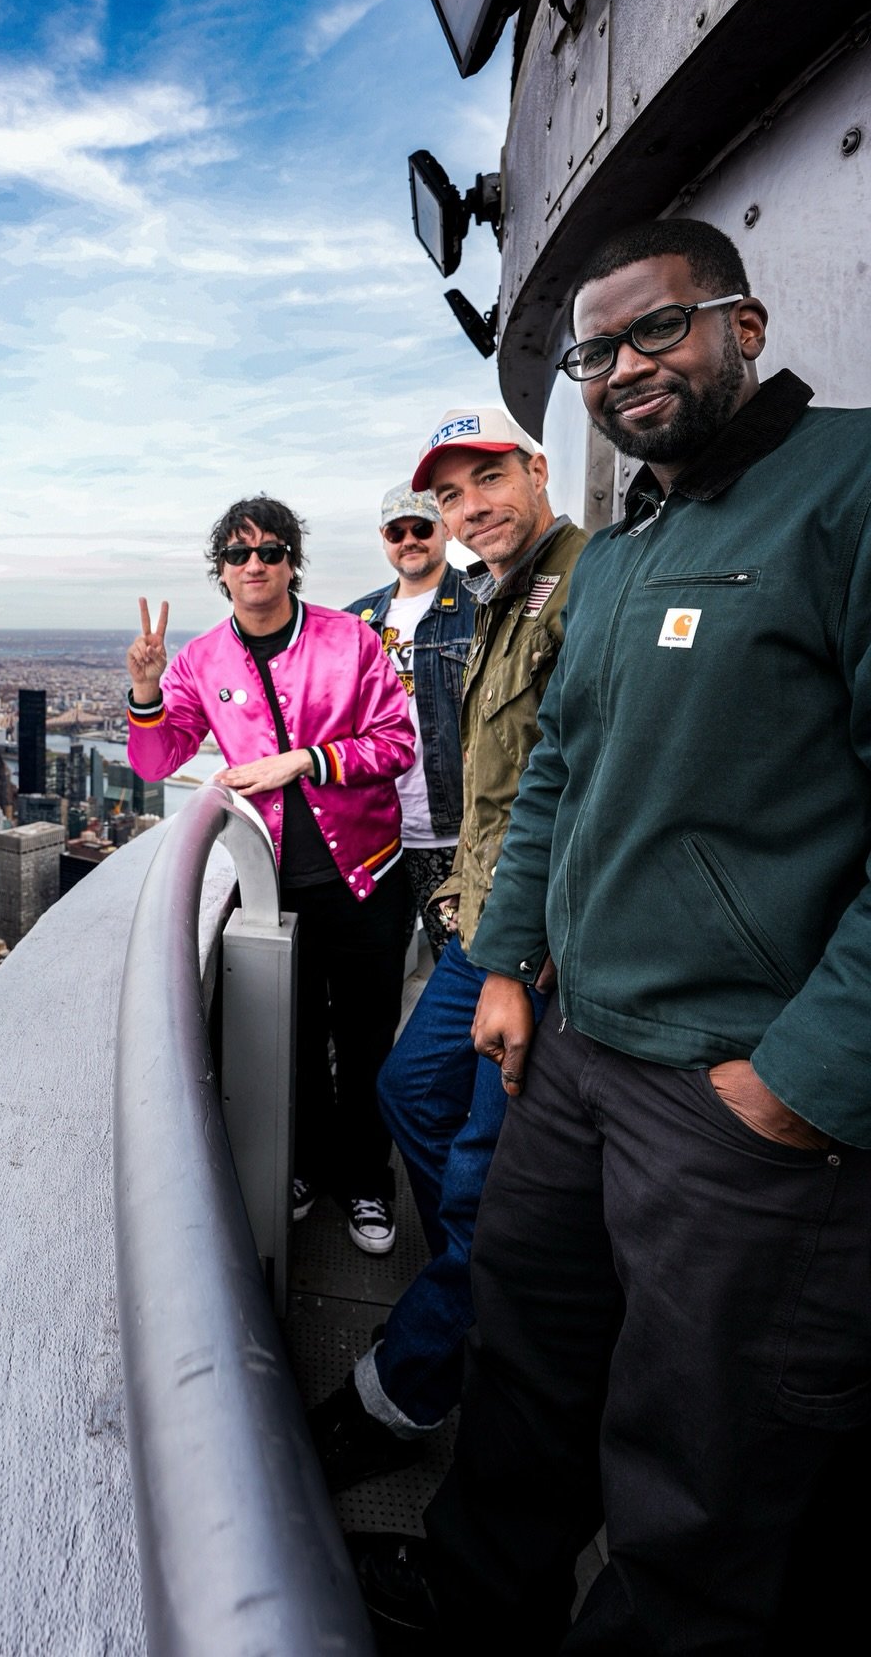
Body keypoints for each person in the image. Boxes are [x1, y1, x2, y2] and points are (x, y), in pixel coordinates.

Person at [357, 217, 871, 1651]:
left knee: (702, 1464)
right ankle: (477, 1610)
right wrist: (512, 964)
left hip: (737, 1094)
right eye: (597, 350)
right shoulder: (637, 546)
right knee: (527, 1363)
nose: (628, 367)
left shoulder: (850, 492)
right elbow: (559, 778)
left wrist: (804, 1080)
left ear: (745, 325)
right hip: (577, 1053)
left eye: (662, 329)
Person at [310, 408, 586, 1483]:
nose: (463, 514)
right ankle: (474, 1273)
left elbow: (563, 779)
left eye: (486, 485)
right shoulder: (484, 600)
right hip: (476, 901)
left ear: (537, 471)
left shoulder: (579, 586)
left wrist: (515, 949)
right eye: (445, 499)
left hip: (532, 935)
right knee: (410, 1093)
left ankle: (421, 1364)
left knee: (481, 1174)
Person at [126, 496, 414, 1254]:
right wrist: (149, 694)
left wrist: (309, 760)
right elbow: (157, 759)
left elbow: (397, 743)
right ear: (220, 570)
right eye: (238, 552)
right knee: (294, 1041)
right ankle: (309, 1167)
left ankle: (368, 1184)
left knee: (365, 1042)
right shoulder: (200, 661)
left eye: (272, 550)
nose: (255, 564)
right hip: (271, 889)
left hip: (366, 879)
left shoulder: (350, 640)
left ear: (293, 562)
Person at [344, 484, 475, 968]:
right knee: (371, 970)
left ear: (443, 531)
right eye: (396, 532)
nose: (409, 540)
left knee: (460, 971)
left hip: (455, 835)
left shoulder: (480, 605)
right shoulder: (355, 621)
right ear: (384, 539)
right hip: (379, 835)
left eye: (421, 528)